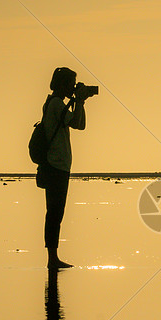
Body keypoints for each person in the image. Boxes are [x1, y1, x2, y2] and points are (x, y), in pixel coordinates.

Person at [39, 67, 92, 269]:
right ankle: (52, 259)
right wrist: (78, 100)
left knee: (55, 212)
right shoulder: (54, 104)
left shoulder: (55, 104)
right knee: (54, 212)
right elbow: (78, 124)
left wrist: (81, 101)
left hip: (59, 165)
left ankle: (53, 258)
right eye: (71, 84)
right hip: (56, 165)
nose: (72, 88)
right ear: (62, 84)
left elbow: (80, 123)